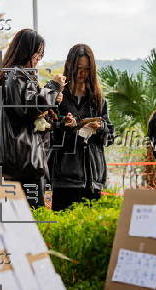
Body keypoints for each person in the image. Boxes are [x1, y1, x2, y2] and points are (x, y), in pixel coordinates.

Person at [0, 29, 66, 208]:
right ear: (26, 51)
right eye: (38, 53)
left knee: (18, 217)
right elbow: (28, 108)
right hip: (25, 163)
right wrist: (53, 86)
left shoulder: (9, 75)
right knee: (32, 217)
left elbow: (26, 112)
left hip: (16, 162)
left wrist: (52, 103)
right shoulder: (17, 74)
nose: (39, 59)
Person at [50, 44, 114, 211]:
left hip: (93, 177)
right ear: (69, 65)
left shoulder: (98, 100)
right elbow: (47, 133)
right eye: (78, 68)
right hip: (65, 177)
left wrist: (99, 128)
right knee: (64, 228)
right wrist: (66, 127)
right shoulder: (58, 97)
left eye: (86, 69)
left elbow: (110, 137)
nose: (81, 74)